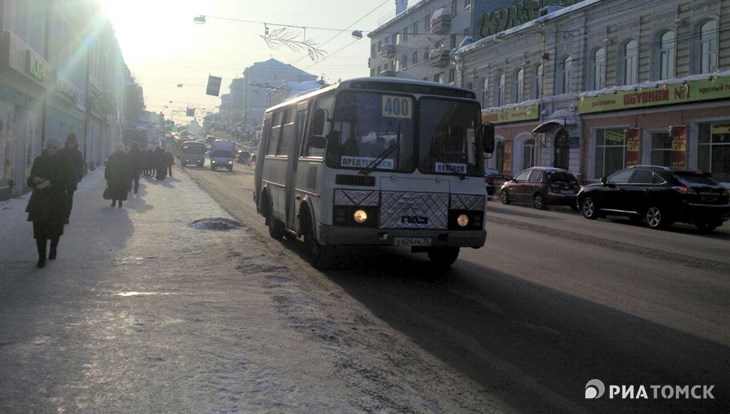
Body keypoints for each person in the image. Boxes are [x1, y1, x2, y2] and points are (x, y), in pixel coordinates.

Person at [26, 138, 70, 268]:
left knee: (55, 227)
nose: (51, 150)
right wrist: (35, 180)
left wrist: (49, 183)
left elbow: (66, 180)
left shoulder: (63, 161)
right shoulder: (39, 160)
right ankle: (41, 257)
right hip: (40, 200)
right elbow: (30, 179)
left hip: (57, 200)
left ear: (58, 149)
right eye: (49, 147)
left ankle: (53, 248)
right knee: (39, 228)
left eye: (54, 148)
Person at [60, 133, 85, 223]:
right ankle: (61, 214)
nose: (71, 144)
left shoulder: (77, 154)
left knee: (69, 198)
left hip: (72, 179)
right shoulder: (62, 152)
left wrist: (79, 176)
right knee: (62, 197)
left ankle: (66, 216)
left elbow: (80, 166)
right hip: (62, 179)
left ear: (75, 143)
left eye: (73, 142)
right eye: (69, 142)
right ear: (67, 143)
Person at [105, 143, 130, 208]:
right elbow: (128, 167)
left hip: (113, 176)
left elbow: (108, 167)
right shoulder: (125, 156)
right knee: (121, 189)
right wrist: (128, 176)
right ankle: (120, 202)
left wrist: (107, 176)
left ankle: (113, 202)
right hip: (122, 176)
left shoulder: (112, 156)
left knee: (114, 188)